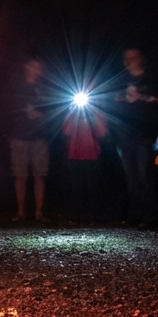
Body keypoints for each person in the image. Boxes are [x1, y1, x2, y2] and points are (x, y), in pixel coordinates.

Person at [113, 48, 158, 228]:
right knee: (131, 177)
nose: (130, 60)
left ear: (141, 58)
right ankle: (135, 214)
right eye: (127, 57)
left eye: (134, 56)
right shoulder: (121, 80)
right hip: (125, 135)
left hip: (145, 135)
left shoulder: (151, 79)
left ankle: (150, 217)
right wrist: (120, 99)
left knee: (145, 175)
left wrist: (140, 97)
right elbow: (113, 102)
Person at [6, 58, 52, 223]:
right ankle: (20, 213)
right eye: (33, 66)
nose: (36, 70)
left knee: (39, 175)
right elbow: (9, 111)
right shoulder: (17, 87)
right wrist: (9, 134)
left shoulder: (44, 89)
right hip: (19, 137)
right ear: (26, 66)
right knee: (20, 176)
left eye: (39, 67)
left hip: (39, 138)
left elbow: (53, 112)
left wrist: (41, 115)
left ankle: (39, 213)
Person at [62, 97, 108, 226]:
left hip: (92, 154)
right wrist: (72, 113)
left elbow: (102, 132)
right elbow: (66, 131)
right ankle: (76, 216)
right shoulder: (72, 114)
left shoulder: (96, 113)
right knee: (76, 187)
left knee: (93, 187)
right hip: (75, 154)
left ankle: (94, 216)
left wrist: (93, 113)